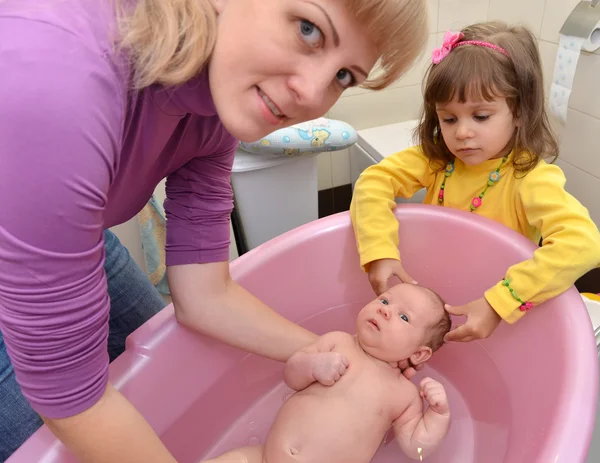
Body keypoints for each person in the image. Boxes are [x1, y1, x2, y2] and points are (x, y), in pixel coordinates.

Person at [0, 0, 431, 461]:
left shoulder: (218, 95)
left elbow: (204, 293)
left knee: (166, 364)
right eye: (308, 29)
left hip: (70, 236)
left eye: (344, 76)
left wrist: (354, 365)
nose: (310, 93)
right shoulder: (54, 79)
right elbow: (70, 398)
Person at [350, 21, 600, 345]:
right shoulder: (437, 159)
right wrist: (379, 252)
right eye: (449, 118)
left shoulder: (530, 179)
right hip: (439, 289)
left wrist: (499, 303)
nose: (462, 133)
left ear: (520, 112)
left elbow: (582, 243)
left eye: (480, 117)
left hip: (498, 311)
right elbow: (375, 180)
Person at [204, 284, 451, 463]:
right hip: (264, 456)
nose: (385, 310)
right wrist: (313, 366)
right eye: (384, 301)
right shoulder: (337, 342)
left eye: (404, 316)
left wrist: (438, 416)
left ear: (419, 355)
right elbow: (291, 376)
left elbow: (415, 448)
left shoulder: (404, 394)